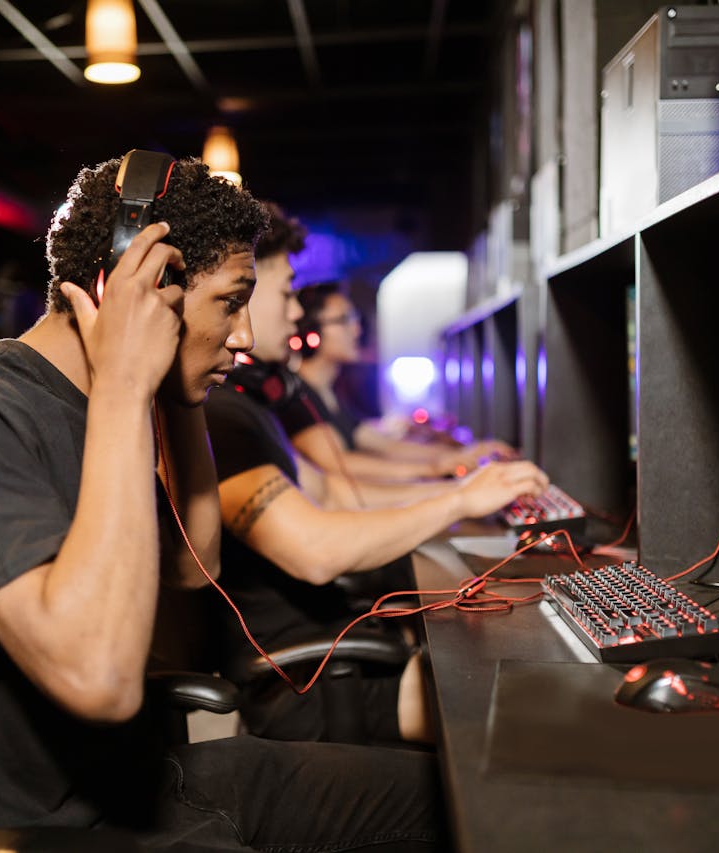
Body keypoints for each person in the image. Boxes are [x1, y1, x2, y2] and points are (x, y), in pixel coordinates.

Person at [0, 155, 446, 850]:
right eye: (231, 300)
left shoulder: (98, 403)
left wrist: (177, 397)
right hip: (58, 831)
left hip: (153, 782)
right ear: (139, 288)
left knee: (449, 804)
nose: (243, 338)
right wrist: (125, 378)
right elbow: (100, 679)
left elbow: (192, 563)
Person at [204, 203, 551, 745]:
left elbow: (337, 490)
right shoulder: (222, 417)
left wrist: (455, 485)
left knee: (527, 651)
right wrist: (456, 499)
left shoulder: (248, 412)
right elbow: (315, 552)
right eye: (288, 292)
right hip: (308, 686)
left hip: (338, 646)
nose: (297, 315)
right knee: (526, 701)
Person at [287, 282, 517, 483]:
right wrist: (435, 469)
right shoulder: (297, 395)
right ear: (311, 332)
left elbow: (384, 445)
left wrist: (462, 454)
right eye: (344, 319)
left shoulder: (327, 393)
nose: (356, 329)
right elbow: (339, 465)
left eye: (355, 318)